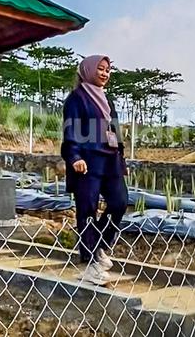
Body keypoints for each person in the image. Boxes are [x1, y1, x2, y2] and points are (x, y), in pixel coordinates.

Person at [61, 55, 128, 285]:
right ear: (88, 70)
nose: (105, 74)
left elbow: (115, 130)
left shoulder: (107, 99)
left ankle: (98, 245)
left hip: (110, 161)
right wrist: (74, 156)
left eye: (108, 70)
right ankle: (90, 264)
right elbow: (70, 130)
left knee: (120, 202)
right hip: (87, 162)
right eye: (100, 69)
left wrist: (121, 158)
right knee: (87, 210)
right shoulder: (76, 99)